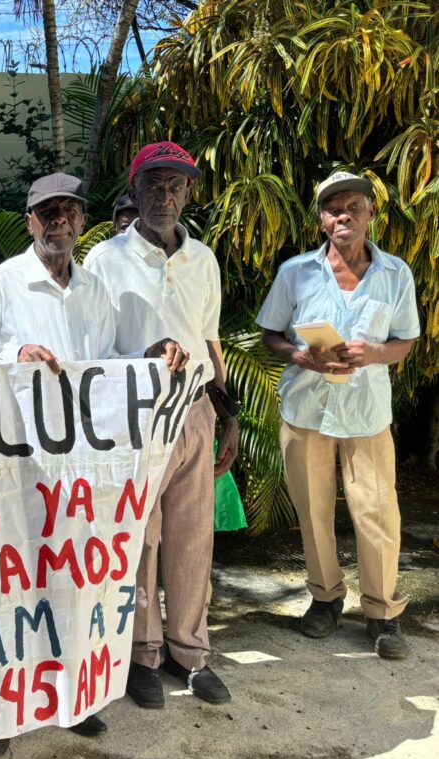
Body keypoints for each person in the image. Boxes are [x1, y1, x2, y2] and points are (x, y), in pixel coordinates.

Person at [0, 172, 189, 756]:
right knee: (7, 589)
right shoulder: (0, 283)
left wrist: (147, 358)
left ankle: (70, 698)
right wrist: (16, 355)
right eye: (46, 212)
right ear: (30, 220)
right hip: (15, 467)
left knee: (69, 587)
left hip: (79, 475)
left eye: (68, 211)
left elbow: (108, 363)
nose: (58, 220)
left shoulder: (93, 290)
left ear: (82, 221)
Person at [83, 142, 239, 710]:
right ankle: (142, 653)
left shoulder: (203, 260)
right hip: (136, 414)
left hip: (195, 406)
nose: (164, 195)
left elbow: (211, 340)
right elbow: (94, 349)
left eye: (176, 184)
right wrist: (144, 354)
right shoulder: (105, 259)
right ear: (134, 190)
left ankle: (190, 653)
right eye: (153, 183)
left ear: (190, 192)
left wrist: (228, 414)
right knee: (142, 536)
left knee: (194, 535)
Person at [256, 171, 419, 659]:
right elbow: (271, 333)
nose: (342, 214)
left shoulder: (396, 274)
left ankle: (382, 612)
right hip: (306, 408)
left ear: (370, 212)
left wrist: (374, 354)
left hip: (366, 413)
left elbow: (405, 341)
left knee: (376, 513)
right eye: (332, 208)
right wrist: (300, 355)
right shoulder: (296, 272)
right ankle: (325, 599)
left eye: (352, 205)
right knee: (313, 512)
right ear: (322, 221)